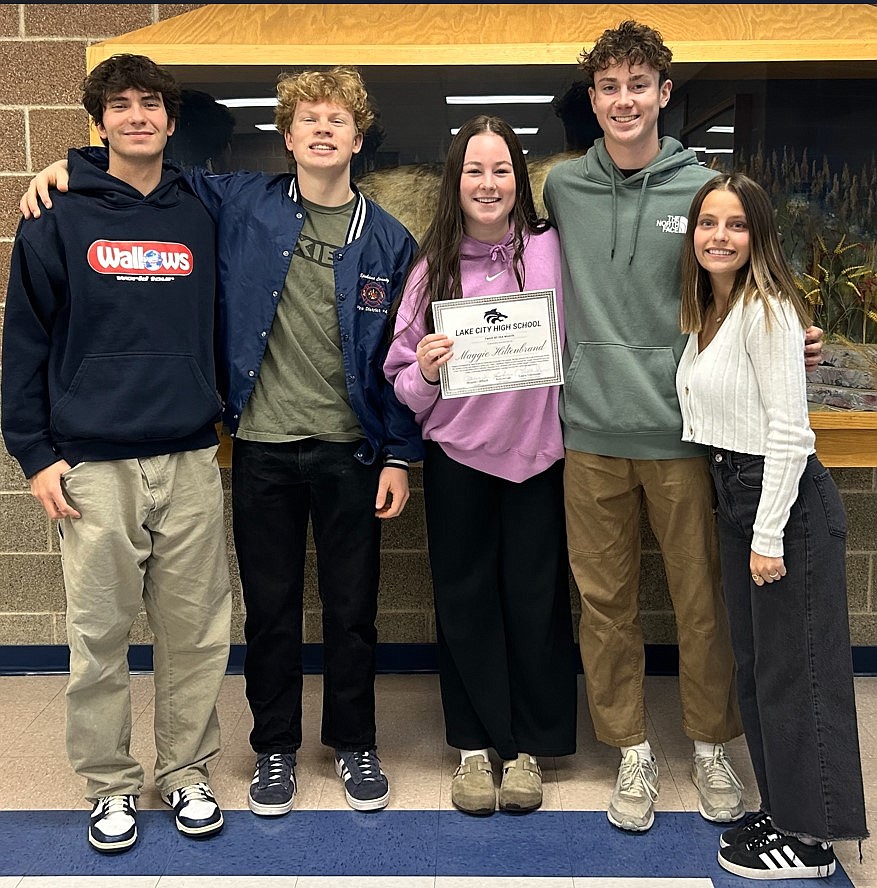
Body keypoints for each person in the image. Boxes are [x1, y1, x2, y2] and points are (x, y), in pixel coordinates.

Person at [20, 66, 423, 817]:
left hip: (350, 451)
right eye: (308, 119)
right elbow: (141, 174)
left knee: (352, 608)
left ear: (358, 138)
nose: (323, 130)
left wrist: (399, 451)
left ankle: (353, 743)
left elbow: (401, 356)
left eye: (338, 119)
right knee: (267, 609)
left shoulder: (389, 241)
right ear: (288, 137)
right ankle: (273, 748)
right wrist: (68, 165)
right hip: (261, 447)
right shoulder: (239, 201)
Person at [542, 20, 823, 833]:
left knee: (701, 605)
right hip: (588, 436)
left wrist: (795, 332)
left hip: (685, 440)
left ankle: (708, 745)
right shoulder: (562, 189)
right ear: (591, 100)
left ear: (664, 94)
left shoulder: (702, 190)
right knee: (604, 607)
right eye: (608, 87)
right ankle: (629, 750)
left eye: (639, 85)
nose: (623, 100)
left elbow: (750, 273)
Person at [1, 54, 231, 853]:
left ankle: (187, 771)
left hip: (191, 456)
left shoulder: (201, 206)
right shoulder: (56, 213)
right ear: (99, 120)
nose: (137, 115)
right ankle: (108, 786)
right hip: (92, 464)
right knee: (98, 635)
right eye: (120, 104)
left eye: (151, 104)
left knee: (197, 630)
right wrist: (33, 455)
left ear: (172, 119)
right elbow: (23, 340)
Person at [676, 171, 868, 879]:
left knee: (801, 674)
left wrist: (765, 535)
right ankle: (785, 809)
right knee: (758, 672)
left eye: (734, 224)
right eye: (706, 223)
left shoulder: (766, 310)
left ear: (757, 235)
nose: (717, 236)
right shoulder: (712, 310)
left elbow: (790, 432)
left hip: (779, 500)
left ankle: (812, 842)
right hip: (734, 488)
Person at [383, 115, 577, 816]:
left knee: (535, 602)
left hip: (538, 459)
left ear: (518, 180)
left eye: (500, 170)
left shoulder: (554, 250)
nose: (487, 183)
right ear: (454, 181)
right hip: (459, 459)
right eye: (474, 170)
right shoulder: (431, 265)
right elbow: (400, 379)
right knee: (464, 602)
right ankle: (471, 746)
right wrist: (428, 373)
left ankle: (526, 747)